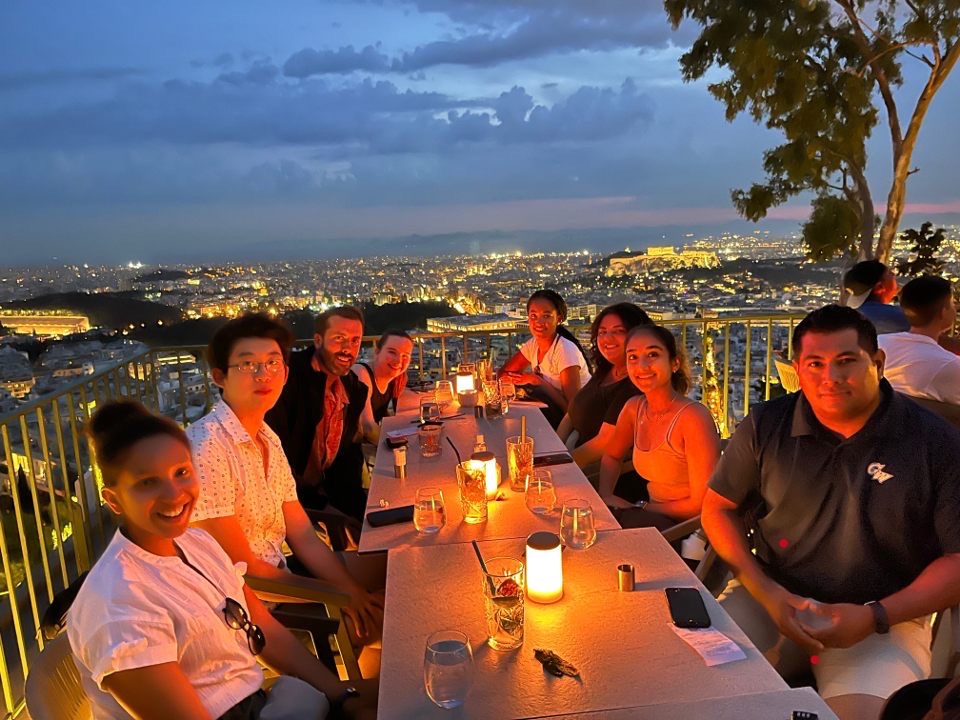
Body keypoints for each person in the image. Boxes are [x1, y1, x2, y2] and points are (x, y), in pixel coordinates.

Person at [702, 304, 960, 720]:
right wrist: (767, 593)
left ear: (877, 362)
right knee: (696, 695)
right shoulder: (767, 425)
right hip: (770, 596)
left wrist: (875, 615)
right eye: (815, 364)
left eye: (846, 362)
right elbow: (717, 508)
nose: (830, 378)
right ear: (798, 369)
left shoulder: (934, 442)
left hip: (883, 621)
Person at [68, 401, 375, 720]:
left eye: (181, 472)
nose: (174, 494)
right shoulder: (119, 605)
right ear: (114, 500)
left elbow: (263, 627)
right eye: (148, 482)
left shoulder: (196, 544)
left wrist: (343, 696)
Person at [188, 313, 384, 654]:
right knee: (393, 612)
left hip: (281, 571)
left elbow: (304, 536)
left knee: (399, 564)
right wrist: (342, 595)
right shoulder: (207, 447)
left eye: (272, 362)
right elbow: (243, 570)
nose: (263, 374)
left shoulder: (267, 438)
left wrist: (349, 591)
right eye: (247, 364)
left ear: (286, 373)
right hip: (248, 606)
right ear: (219, 377)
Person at [597, 324, 720, 530]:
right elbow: (611, 456)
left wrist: (639, 508)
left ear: (674, 364)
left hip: (688, 530)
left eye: (652, 354)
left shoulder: (693, 418)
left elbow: (701, 504)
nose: (642, 366)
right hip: (652, 521)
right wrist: (605, 495)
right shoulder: (634, 409)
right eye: (633, 357)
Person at [266, 306, 368, 520]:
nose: (347, 349)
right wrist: (324, 509)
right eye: (339, 338)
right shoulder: (288, 382)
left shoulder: (352, 389)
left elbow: (348, 456)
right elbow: (277, 459)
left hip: (331, 496)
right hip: (290, 505)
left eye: (355, 340)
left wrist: (358, 507)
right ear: (318, 340)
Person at [556, 302, 651, 468]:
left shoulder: (637, 382)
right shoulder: (607, 369)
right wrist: (553, 452)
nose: (607, 338)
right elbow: (571, 414)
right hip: (575, 458)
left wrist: (559, 465)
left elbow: (605, 442)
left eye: (619, 331)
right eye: (602, 332)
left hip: (601, 473)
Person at [500, 289, 591, 427]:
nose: (539, 322)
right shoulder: (534, 344)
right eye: (533, 316)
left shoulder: (565, 351)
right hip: (551, 413)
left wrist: (538, 381)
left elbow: (573, 410)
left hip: (577, 424)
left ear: (559, 318)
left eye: (546, 316)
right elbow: (504, 374)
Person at [879, 275, 960, 404]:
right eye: (952, 303)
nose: (955, 308)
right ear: (943, 312)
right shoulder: (948, 365)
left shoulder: (877, 343)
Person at [352, 330, 414, 443]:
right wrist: (400, 448)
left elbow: (381, 413)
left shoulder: (393, 380)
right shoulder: (360, 373)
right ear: (377, 352)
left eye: (405, 355)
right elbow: (367, 428)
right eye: (392, 352)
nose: (399, 360)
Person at [842, 259, 909, 334]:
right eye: (889, 273)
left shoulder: (852, 318)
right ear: (879, 287)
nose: (893, 275)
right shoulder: (902, 317)